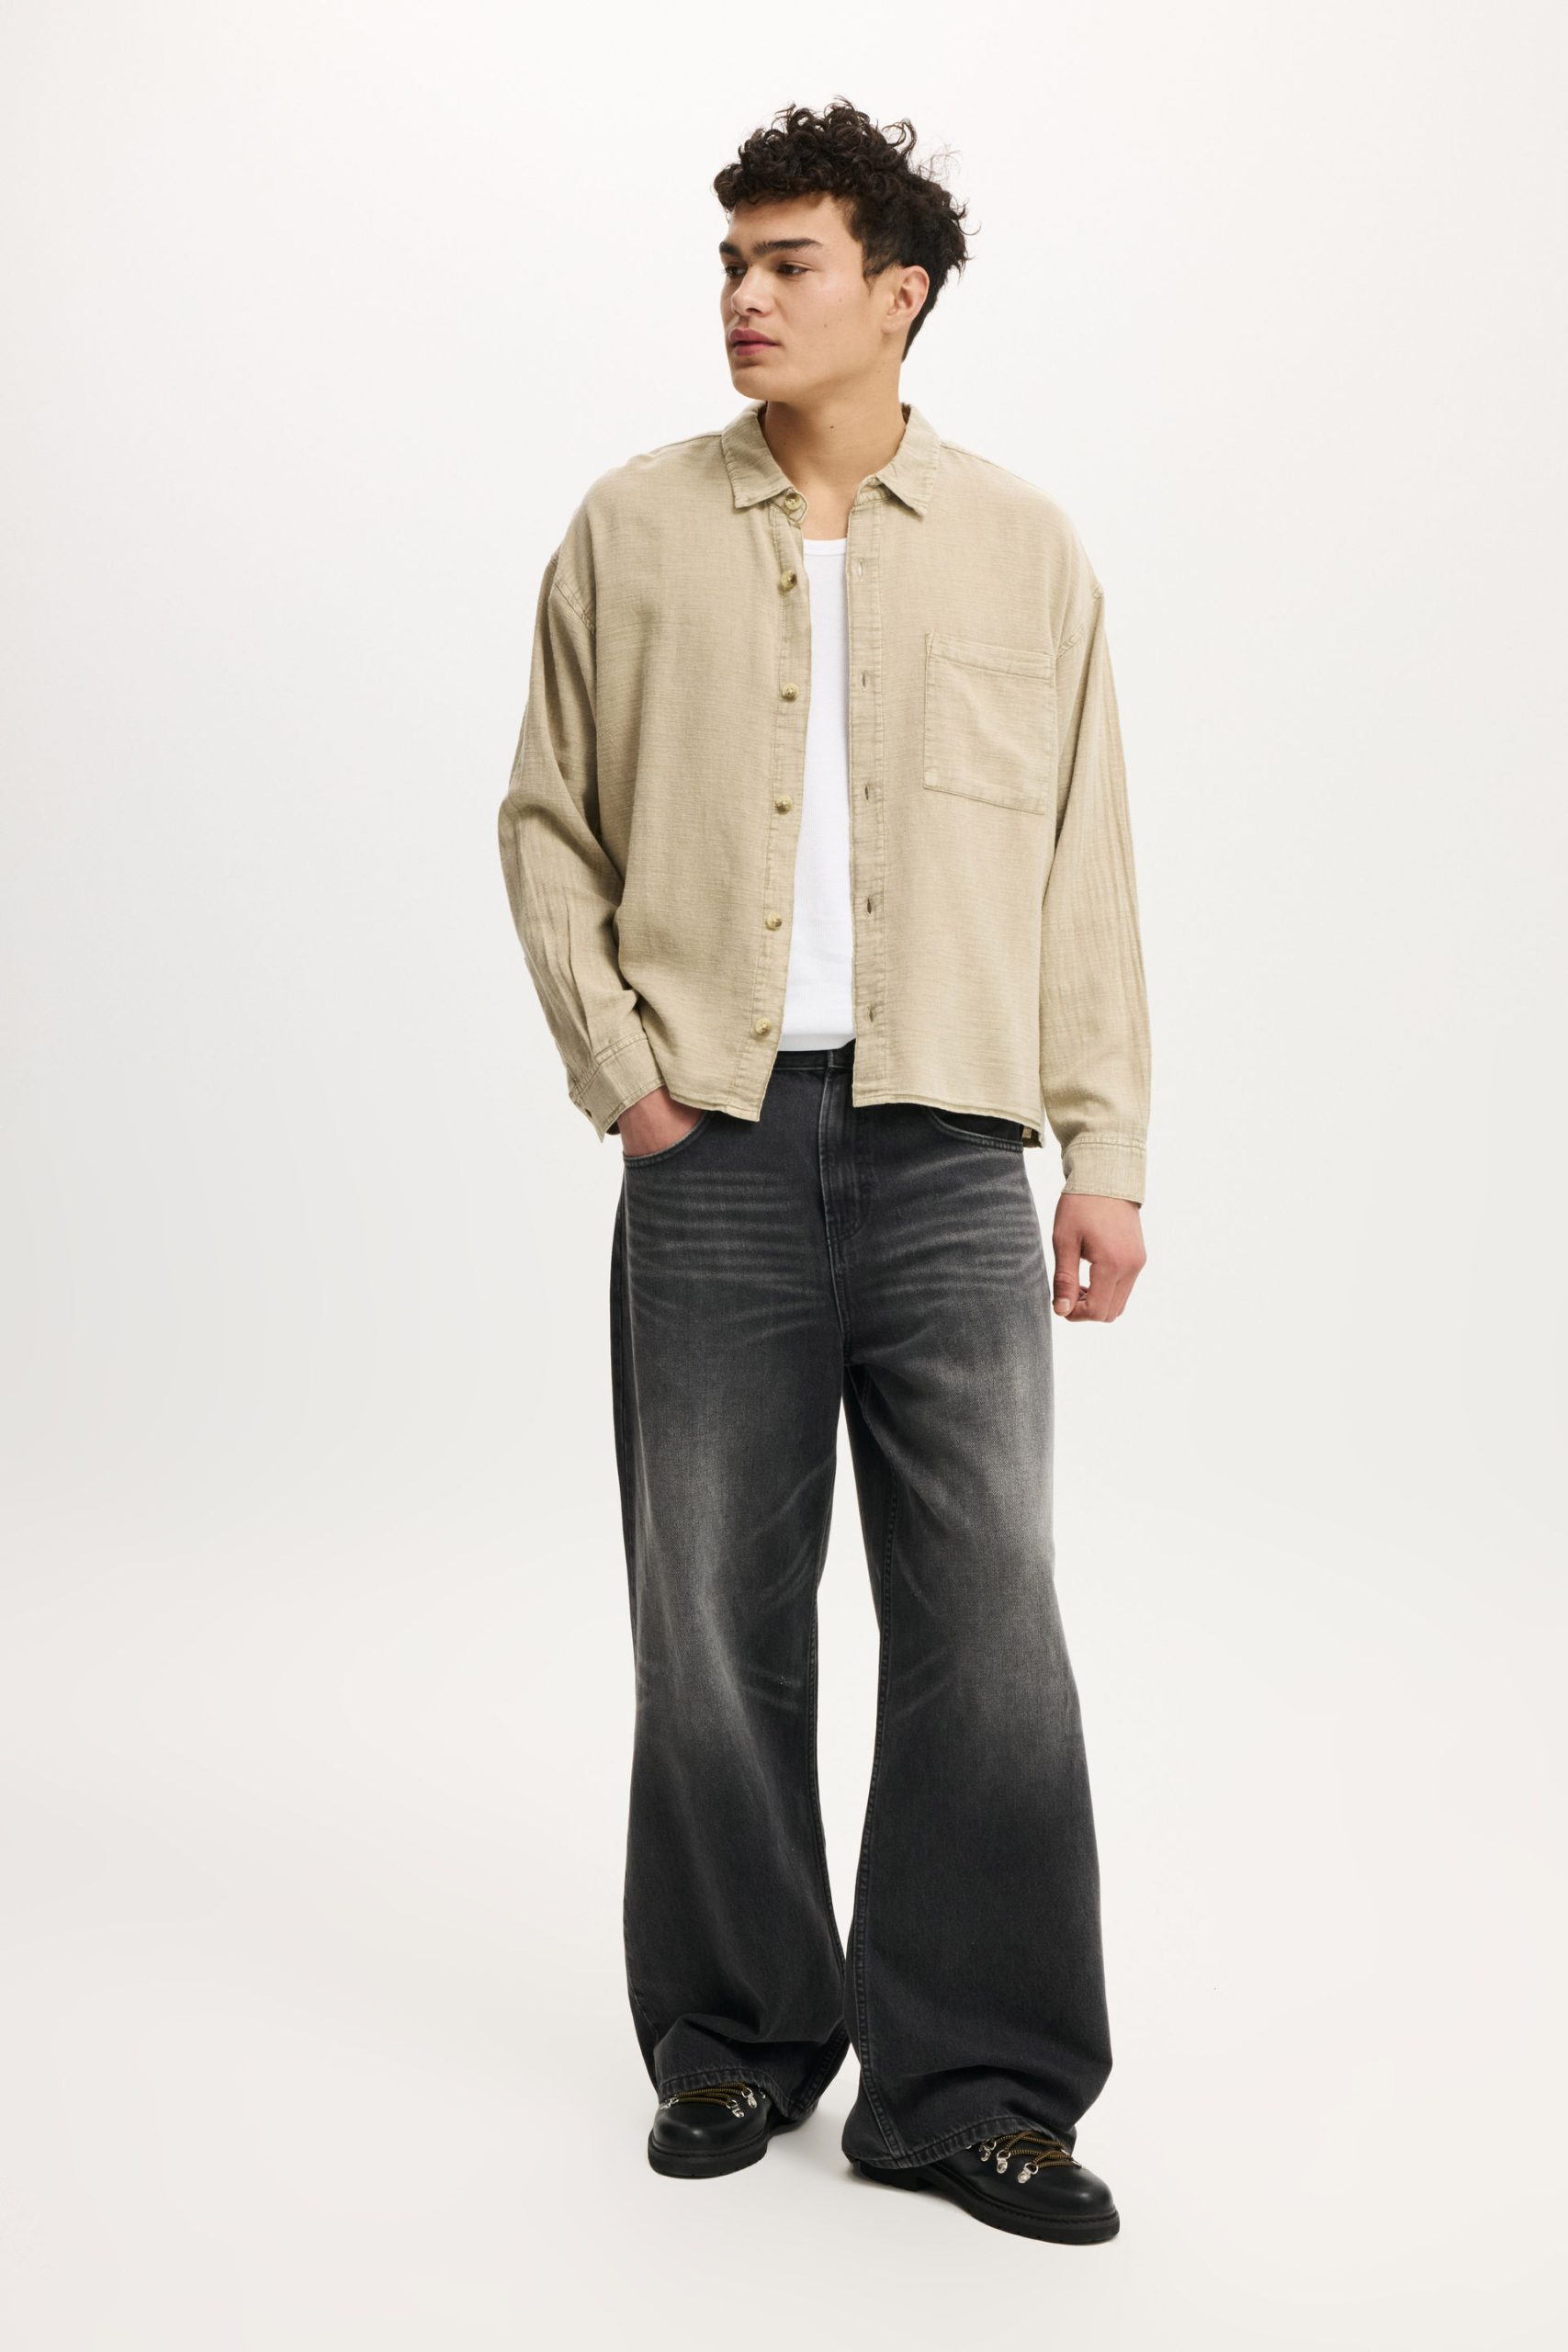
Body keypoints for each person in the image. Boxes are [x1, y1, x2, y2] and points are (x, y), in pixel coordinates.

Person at [496, 98, 1150, 2246]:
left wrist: (1101, 1147)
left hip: (954, 1148)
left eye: (786, 264)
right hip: (713, 1148)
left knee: (990, 1626)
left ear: (898, 292)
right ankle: (732, 2035)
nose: (743, 299)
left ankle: (973, 2088)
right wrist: (629, 1077)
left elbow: (1079, 865)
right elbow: (545, 823)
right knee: (707, 1615)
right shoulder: (628, 530)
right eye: (728, 264)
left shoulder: (1023, 549)